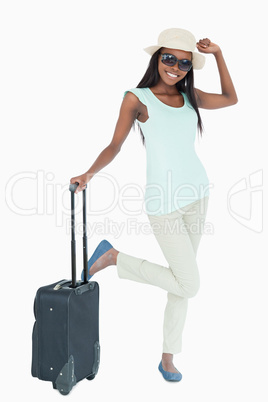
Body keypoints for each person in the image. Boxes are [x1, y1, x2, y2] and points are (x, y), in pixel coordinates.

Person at [70, 28, 238, 382]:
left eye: (184, 63)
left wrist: (219, 55)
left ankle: (167, 356)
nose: (175, 67)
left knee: (181, 282)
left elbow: (230, 98)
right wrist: (89, 173)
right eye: (168, 58)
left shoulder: (190, 96)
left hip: (198, 194)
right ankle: (115, 257)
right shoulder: (137, 97)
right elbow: (114, 146)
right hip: (163, 203)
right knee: (188, 283)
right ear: (156, 58)